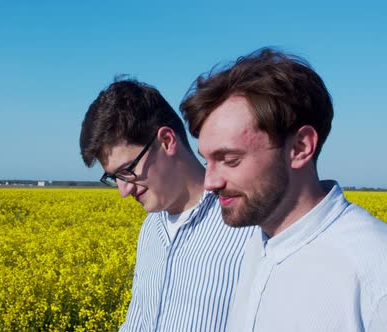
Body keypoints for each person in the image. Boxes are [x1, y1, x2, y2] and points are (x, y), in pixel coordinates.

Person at [179, 47, 387, 332]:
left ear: (300, 148)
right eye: (207, 161)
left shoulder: (375, 269)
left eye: (230, 160)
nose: (210, 182)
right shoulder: (257, 243)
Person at [80, 78, 255, 331]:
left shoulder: (247, 225)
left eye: (127, 170)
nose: (124, 190)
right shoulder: (151, 229)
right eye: (113, 177)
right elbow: (138, 322)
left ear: (166, 141)